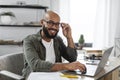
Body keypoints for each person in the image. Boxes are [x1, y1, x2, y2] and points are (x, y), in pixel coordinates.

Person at [22, 10, 86, 78]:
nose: (54, 27)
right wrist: (66, 66)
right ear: (42, 22)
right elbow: (35, 65)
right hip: (35, 77)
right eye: (50, 23)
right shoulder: (29, 40)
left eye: (57, 24)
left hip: (54, 77)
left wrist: (69, 37)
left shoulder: (57, 40)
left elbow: (72, 58)